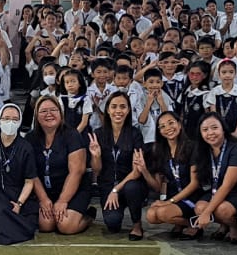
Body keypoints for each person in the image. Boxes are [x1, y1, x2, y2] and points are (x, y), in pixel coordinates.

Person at [28, 96, 92, 235]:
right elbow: (31, 173)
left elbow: (77, 171)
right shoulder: (30, 138)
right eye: (43, 111)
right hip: (45, 191)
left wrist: (63, 200)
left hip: (74, 189)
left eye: (53, 110)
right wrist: (43, 199)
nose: (49, 114)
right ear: (36, 116)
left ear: (60, 113)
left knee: (66, 225)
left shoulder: (72, 135)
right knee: (45, 225)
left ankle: (88, 216)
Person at [89, 91, 148, 238]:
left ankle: (137, 225)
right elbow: (97, 170)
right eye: (114, 106)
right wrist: (96, 156)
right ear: (108, 110)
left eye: (123, 106)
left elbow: (136, 171)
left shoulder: (135, 134)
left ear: (128, 110)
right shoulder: (99, 134)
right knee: (112, 224)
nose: (118, 111)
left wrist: (115, 190)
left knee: (132, 187)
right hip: (107, 184)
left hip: (129, 183)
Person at [189, 113, 237, 243]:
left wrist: (207, 213)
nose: (210, 133)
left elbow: (227, 185)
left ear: (223, 128)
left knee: (222, 210)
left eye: (214, 128)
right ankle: (224, 225)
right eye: (205, 130)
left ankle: (234, 227)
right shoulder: (202, 149)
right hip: (215, 190)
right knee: (199, 207)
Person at [0, 103, 39, 245]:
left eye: (15, 119)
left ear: (20, 122)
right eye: (6, 118)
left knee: (29, 219)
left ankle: (8, 228)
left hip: (19, 194)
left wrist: (19, 203)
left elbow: (29, 181)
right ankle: (9, 230)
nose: (10, 123)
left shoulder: (26, 147)